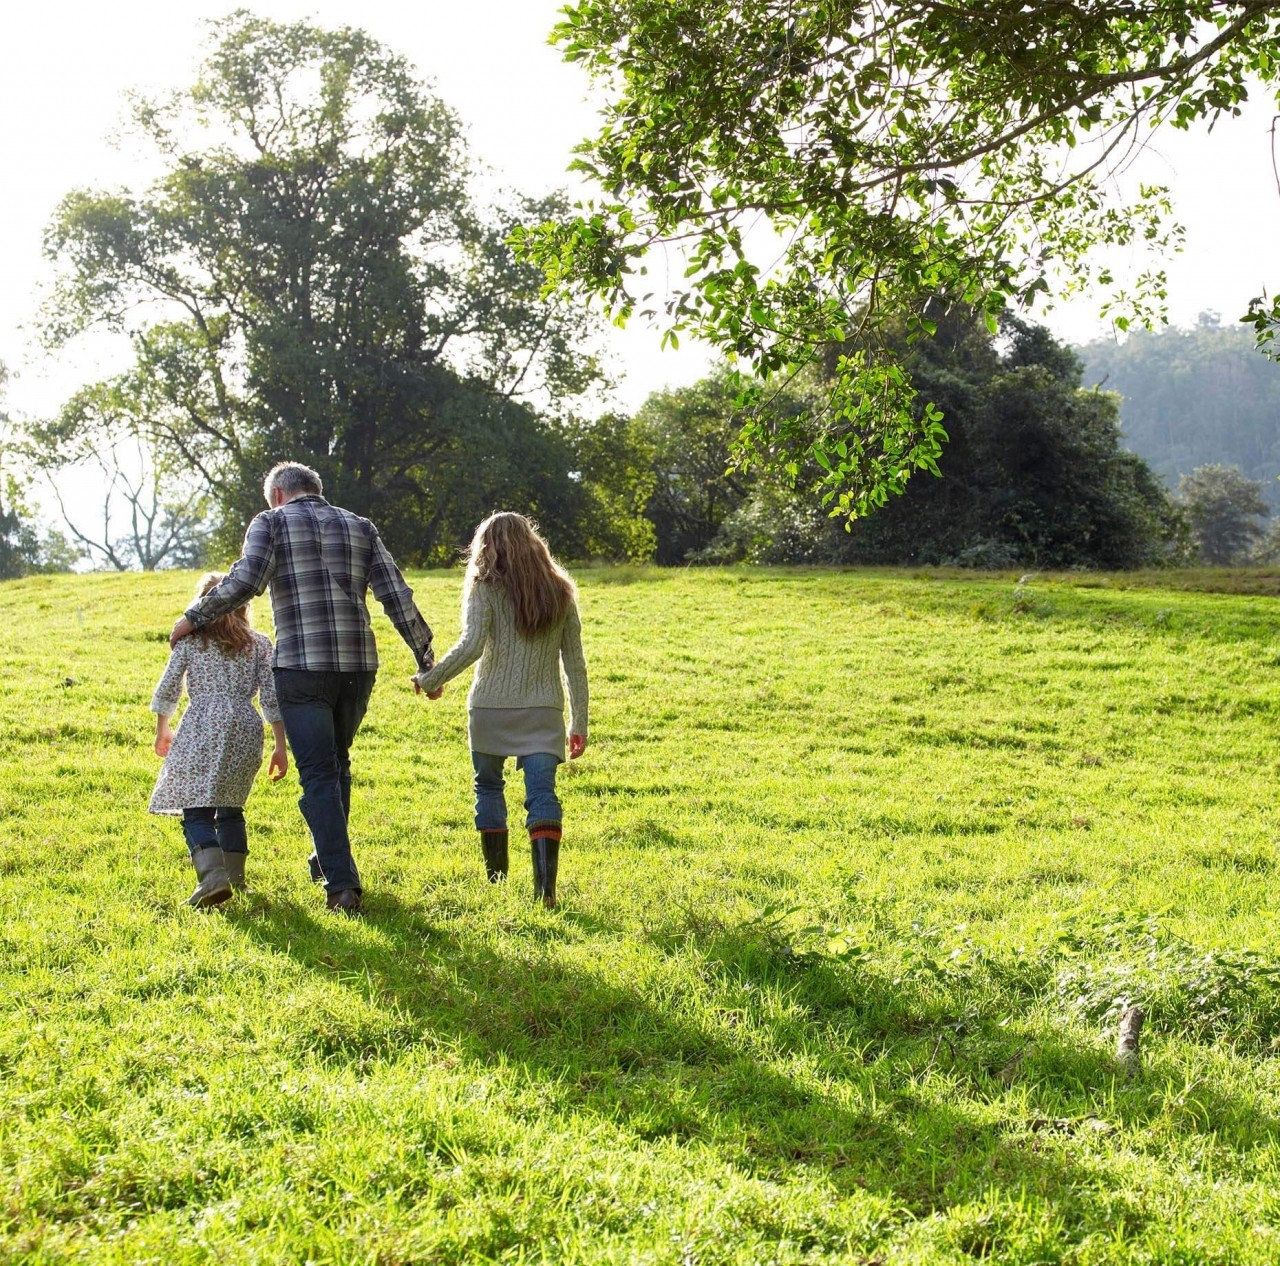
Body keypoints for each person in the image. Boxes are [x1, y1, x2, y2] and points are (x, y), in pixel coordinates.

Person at [169, 461, 434, 915]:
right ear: (316, 490)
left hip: (301, 666)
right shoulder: (360, 525)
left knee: (318, 771)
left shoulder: (270, 522)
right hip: (357, 666)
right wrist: (425, 657)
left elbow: (246, 581)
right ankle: (326, 859)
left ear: (276, 495)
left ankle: (342, 885)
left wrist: (194, 616)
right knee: (335, 763)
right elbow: (396, 594)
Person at [414, 511, 588, 909]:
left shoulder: (484, 587)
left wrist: (430, 678)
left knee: (488, 786)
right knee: (542, 792)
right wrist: (579, 721)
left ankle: (496, 881)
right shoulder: (561, 590)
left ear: (487, 546)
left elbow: (472, 644)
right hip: (543, 710)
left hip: (490, 705)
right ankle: (545, 889)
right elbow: (574, 662)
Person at [150, 573, 287, 908]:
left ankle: (213, 878)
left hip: (203, 725)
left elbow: (170, 686)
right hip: (245, 725)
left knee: (196, 809)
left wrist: (162, 728)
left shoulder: (191, 642)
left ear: (202, 605)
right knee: (230, 806)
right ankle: (235, 879)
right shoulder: (259, 644)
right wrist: (280, 746)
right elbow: (272, 698)